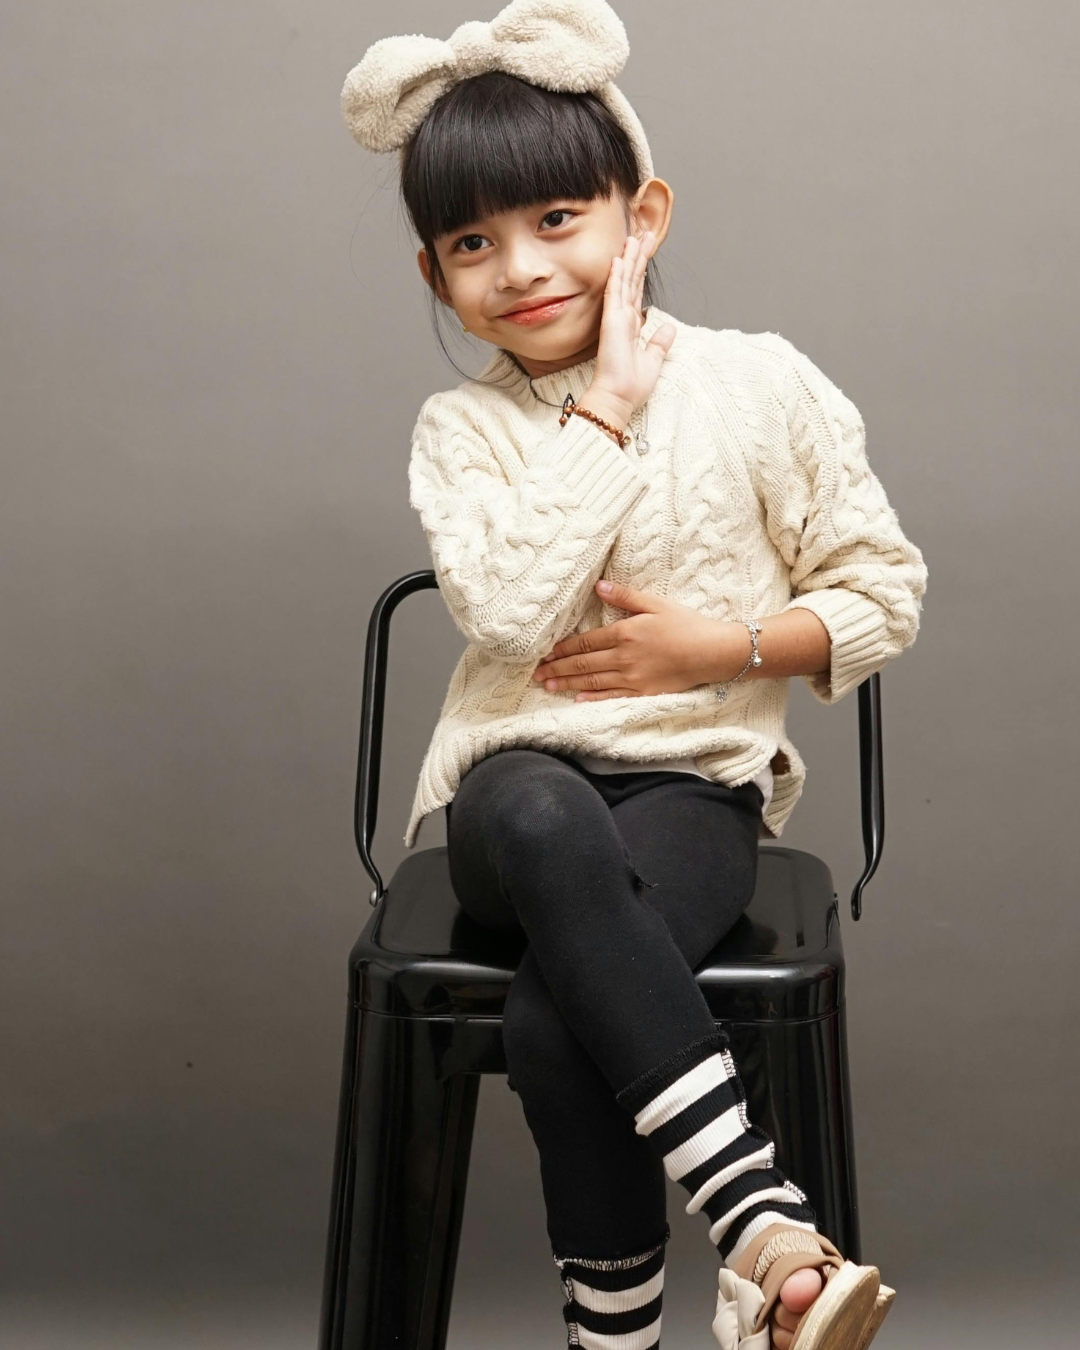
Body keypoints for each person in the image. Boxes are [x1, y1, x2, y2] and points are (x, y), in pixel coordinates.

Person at [340, 2, 928, 1347]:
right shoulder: (465, 427)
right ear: (437, 276)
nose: (519, 266)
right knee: (541, 810)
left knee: (562, 1022)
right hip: (513, 799)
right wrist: (603, 405)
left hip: (694, 794)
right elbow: (503, 605)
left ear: (639, 214)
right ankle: (764, 1218)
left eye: (557, 219)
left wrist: (720, 648)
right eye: (471, 243)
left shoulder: (759, 387)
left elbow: (883, 590)